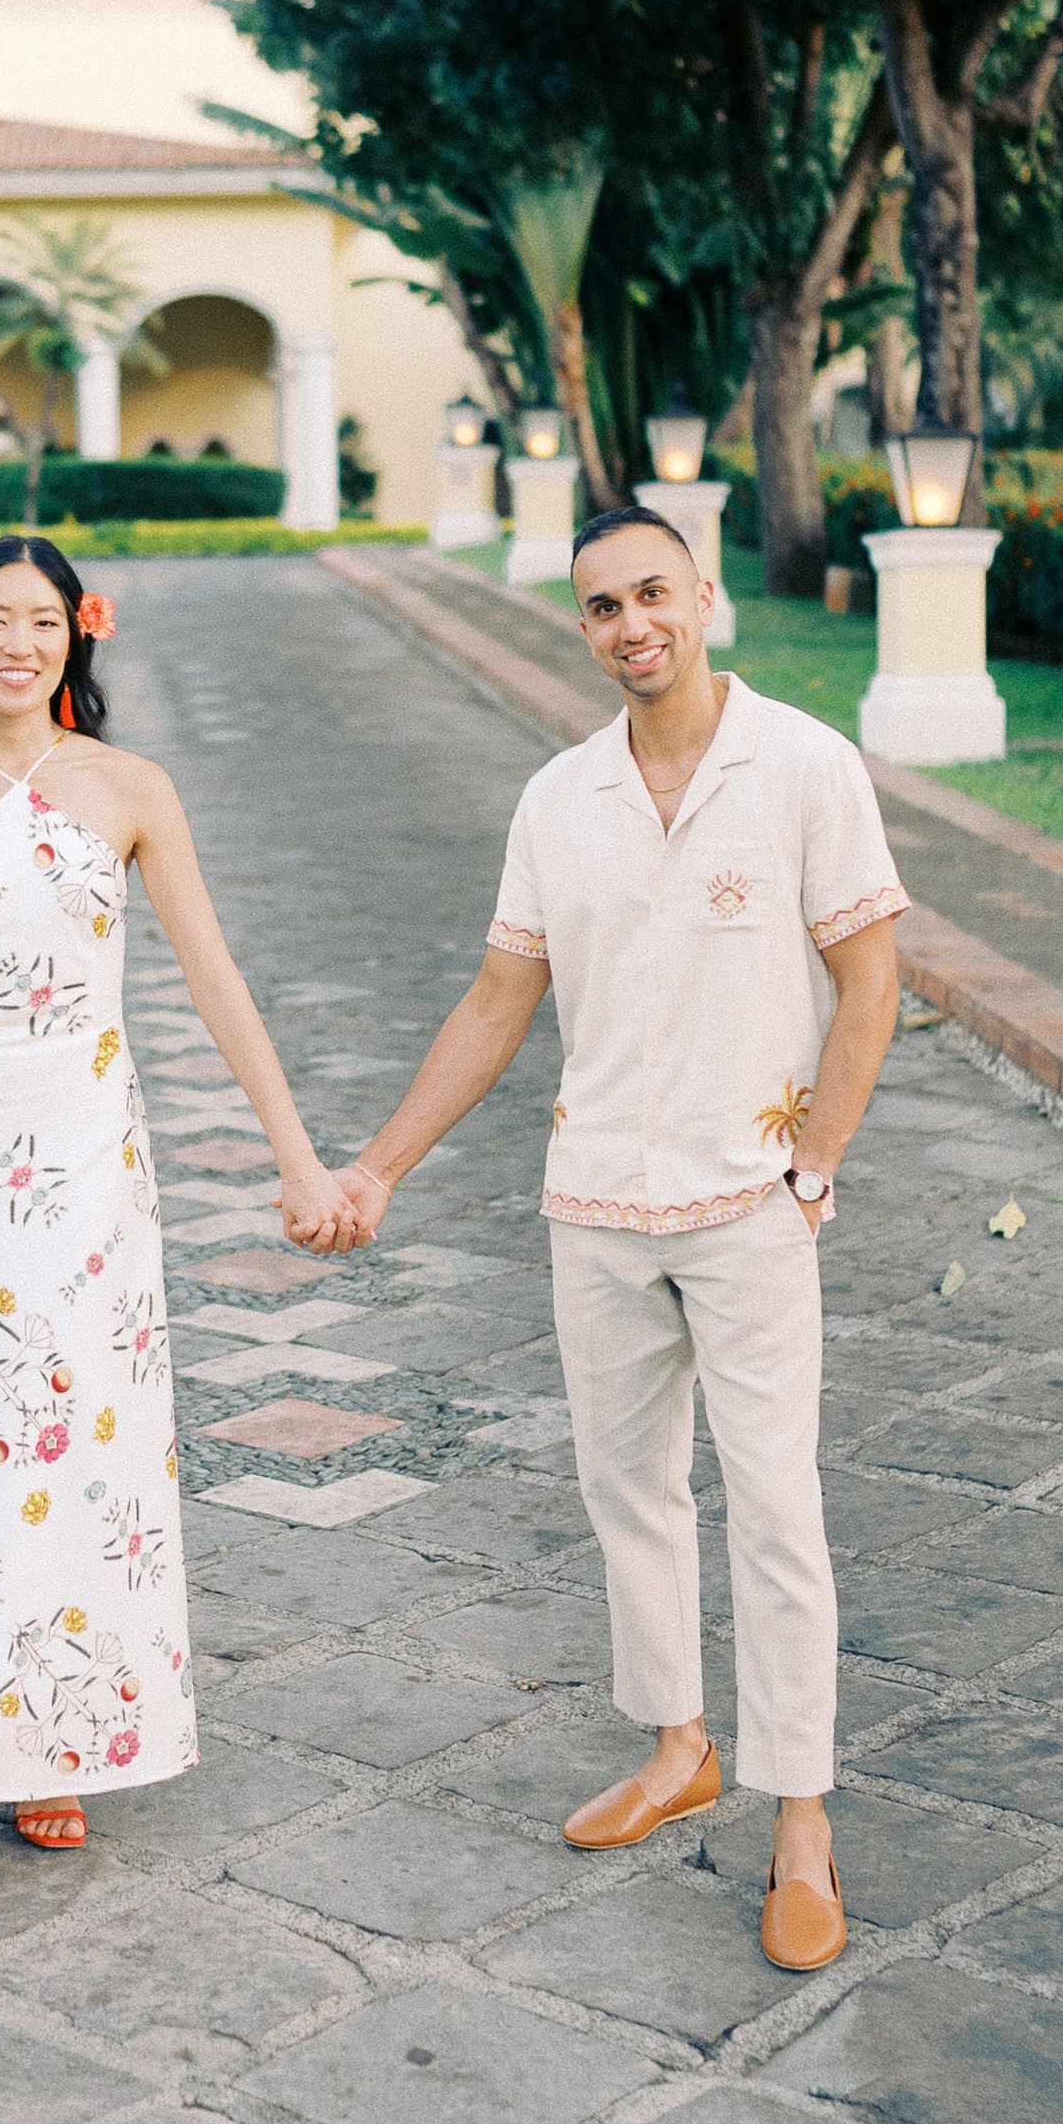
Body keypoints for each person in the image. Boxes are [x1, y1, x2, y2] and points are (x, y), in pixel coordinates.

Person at [313, 502, 905, 1972]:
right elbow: (498, 1003)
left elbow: (874, 979)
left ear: (703, 596)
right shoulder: (557, 800)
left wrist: (815, 1164)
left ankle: (803, 1820)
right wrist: (379, 1163)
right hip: (596, 1205)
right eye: (602, 607)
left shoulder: (804, 770)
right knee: (628, 1489)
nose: (633, 624)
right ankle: (678, 1744)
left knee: (776, 1509)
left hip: (749, 1202)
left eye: (654, 593)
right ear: (581, 628)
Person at [0, 533, 348, 1920]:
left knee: (85, 1463)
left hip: (90, 1178)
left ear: (79, 636)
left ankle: (50, 1738)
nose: (18, 642)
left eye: (43, 621)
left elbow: (213, 975)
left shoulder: (130, 792)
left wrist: (298, 1161)